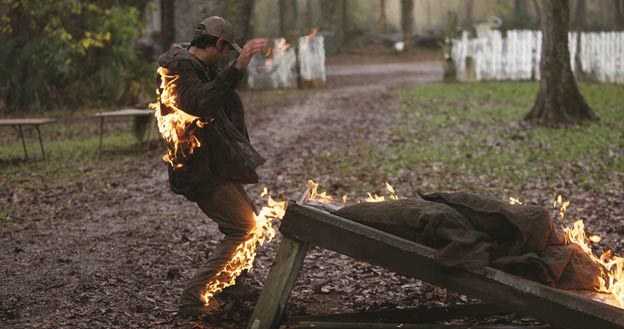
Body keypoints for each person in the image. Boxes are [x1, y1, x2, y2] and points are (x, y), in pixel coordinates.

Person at [154, 16, 268, 314]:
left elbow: (218, 98)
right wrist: (237, 68)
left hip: (213, 164)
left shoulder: (200, 67)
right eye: (227, 52)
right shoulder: (179, 70)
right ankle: (193, 298)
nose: (228, 58)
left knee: (250, 221)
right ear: (218, 45)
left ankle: (233, 283)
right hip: (198, 170)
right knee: (243, 228)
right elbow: (199, 103)